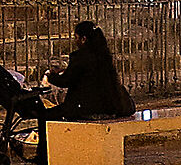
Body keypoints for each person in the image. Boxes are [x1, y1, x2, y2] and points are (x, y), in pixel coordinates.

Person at [40, 22, 132, 161]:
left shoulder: (81, 56)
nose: (75, 41)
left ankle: (43, 157)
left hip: (85, 108)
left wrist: (50, 76)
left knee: (44, 116)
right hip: (107, 106)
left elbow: (65, 81)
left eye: (76, 37)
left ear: (83, 39)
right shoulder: (103, 55)